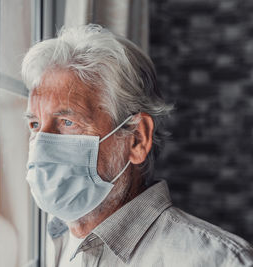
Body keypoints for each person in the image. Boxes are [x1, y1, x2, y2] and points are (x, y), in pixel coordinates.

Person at [22, 24, 253, 267]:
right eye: (35, 124)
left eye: (67, 122)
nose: (40, 145)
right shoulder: (48, 247)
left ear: (137, 139)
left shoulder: (221, 261)